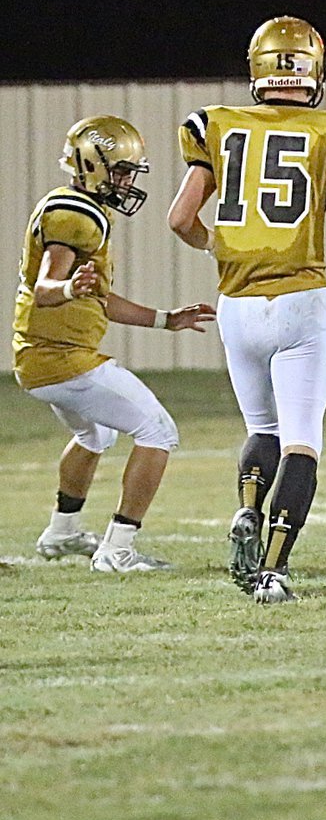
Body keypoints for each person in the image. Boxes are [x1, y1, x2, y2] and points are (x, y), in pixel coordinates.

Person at [168, 15, 326, 604]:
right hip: (299, 301)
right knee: (301, 442)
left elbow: (180, 219)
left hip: (235, 305)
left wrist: (221, 246)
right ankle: (275, 569)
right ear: (313, 69)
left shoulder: (216, 126)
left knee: (261, 428)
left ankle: (246, 512)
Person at [14, 115, 215, 572]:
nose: (126, 180)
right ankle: (117, 550)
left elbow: (98, 298)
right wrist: (68, 289)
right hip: (62, 360)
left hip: (43, 358)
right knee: (158, 432)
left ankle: (61, 533)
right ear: (92, 165)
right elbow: (49, 288)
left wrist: (166, 320)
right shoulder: (76, 215)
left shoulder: (77, 207)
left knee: (94, 434)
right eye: (121, 170)